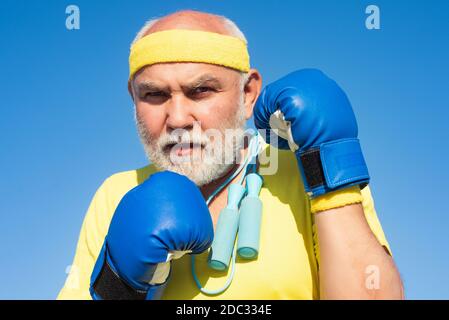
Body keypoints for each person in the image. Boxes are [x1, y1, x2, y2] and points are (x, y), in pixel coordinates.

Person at [57, 10, 404, 300]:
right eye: (154, 95)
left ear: (249, 93)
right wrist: (119, 288)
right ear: (133, 98)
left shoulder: (310, 166)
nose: (177, 119)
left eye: (201, 90)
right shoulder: (117, 193)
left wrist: (332, 165)